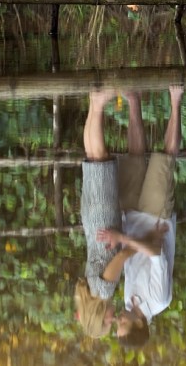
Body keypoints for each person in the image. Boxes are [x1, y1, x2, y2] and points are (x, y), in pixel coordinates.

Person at [96, 84, 183, 347]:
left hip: (131, 218)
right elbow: (155, 252)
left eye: (117, 326)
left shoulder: (127, 301)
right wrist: (123, 237)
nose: (118, 320)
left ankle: (134, 99)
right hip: (156, 218)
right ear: (139, 324)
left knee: (134, 157)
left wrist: (122, 239)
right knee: (165, 159)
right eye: (123, 325)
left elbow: (132, 257)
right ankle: (176, 100)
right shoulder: (159, 300)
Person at [73, 88, 128, 338]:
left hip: (104, 220)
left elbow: (124, 255)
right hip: (91, 221)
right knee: (93, 159)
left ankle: (97, 103)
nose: (113, 319)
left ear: (97, 316)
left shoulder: (104, 292)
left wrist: (143, 246)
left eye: (107, 323)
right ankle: (94, 104)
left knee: (101, 158)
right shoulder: (91, 288)